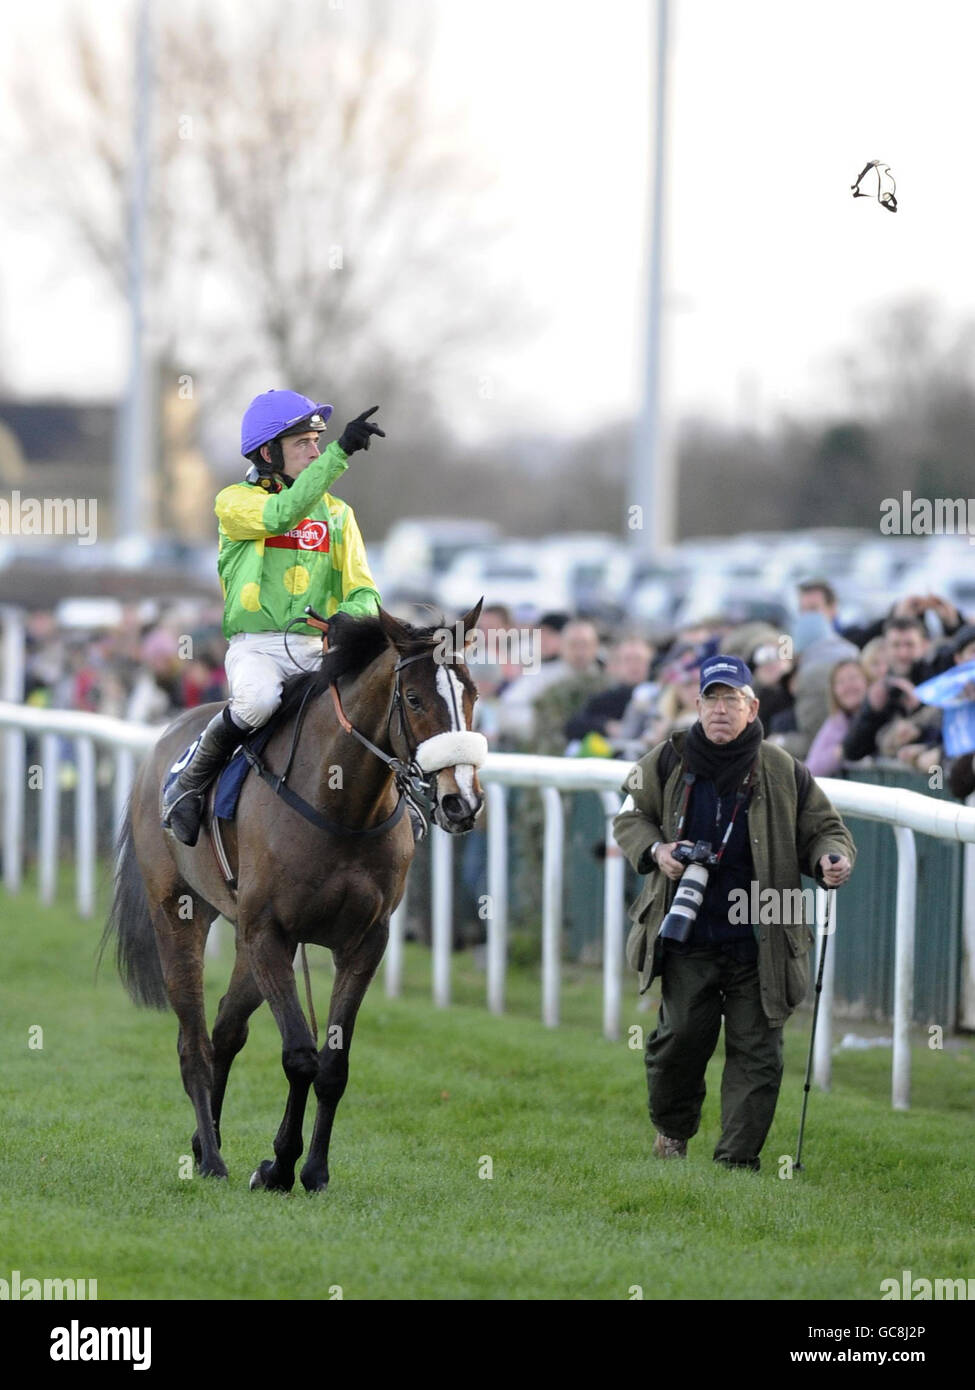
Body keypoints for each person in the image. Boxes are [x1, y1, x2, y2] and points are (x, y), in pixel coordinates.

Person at [613, 653, 854, 1171]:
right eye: (712, 698)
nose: (721, 709)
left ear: (753, 707)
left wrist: (832, 859)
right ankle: (673, 1132)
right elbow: (631, 817)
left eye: (733, 699)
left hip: (763, 932)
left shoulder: (785, 769)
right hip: (688, 930)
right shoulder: (665, 759)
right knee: (679, 1040)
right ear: (697, 704)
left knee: (756, 1051)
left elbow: (825, 831)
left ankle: (736, 1163)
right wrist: (657, 852)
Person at [161, 389, 385, 846]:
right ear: (268, 452)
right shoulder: (235, 503)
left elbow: (364, 590)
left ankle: (403, 806)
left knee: (369, 707)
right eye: (303, 442)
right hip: (256, 648)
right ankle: (188, 781)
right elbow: (283, 513)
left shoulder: (339, 515)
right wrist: (342, 452)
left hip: (313, 649)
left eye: (319, 442)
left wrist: (349, 617)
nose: (316, 451)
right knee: (258, 702)